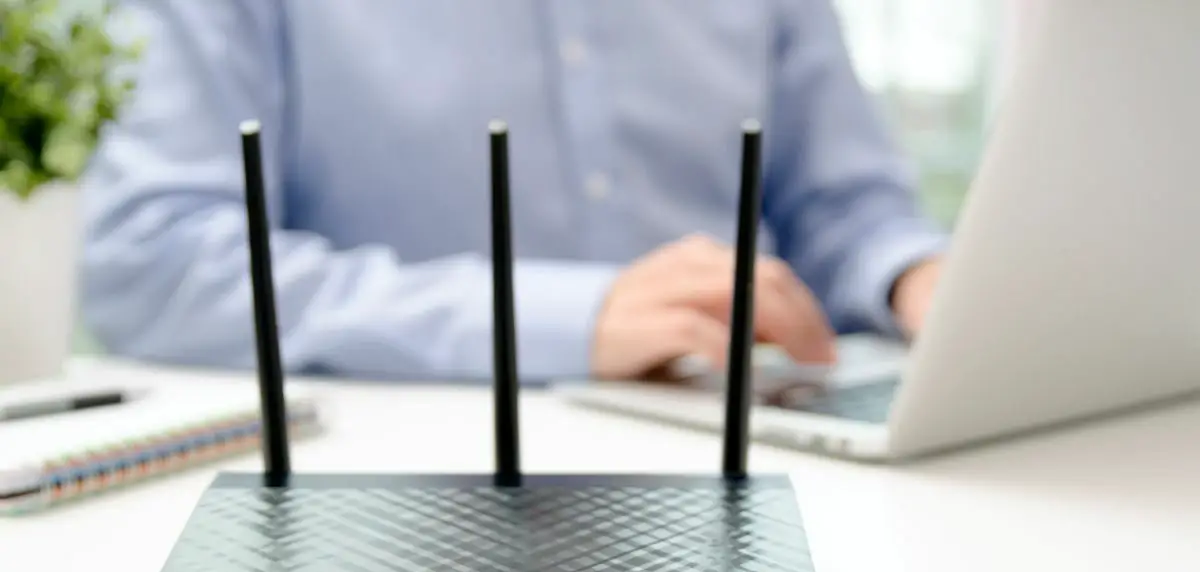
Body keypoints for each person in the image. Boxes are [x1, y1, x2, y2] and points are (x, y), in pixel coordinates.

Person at [81, 0, 946, 383]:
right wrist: (567, 317)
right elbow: (154, 260)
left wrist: (922, 279)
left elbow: (845, 210)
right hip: (398, 480)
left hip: (751, 427)